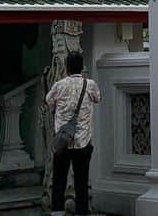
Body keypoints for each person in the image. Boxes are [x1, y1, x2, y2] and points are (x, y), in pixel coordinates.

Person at [45, 50, 101, 216]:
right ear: (82, 67)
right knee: (81, 182)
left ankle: (57, 212)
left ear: (67, 67)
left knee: (59, 181)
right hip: (83, 141)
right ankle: (81, 212)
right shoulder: (89, 84)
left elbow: (48, 101)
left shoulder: (59, 85)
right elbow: (97, 98)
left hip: (62, 141)